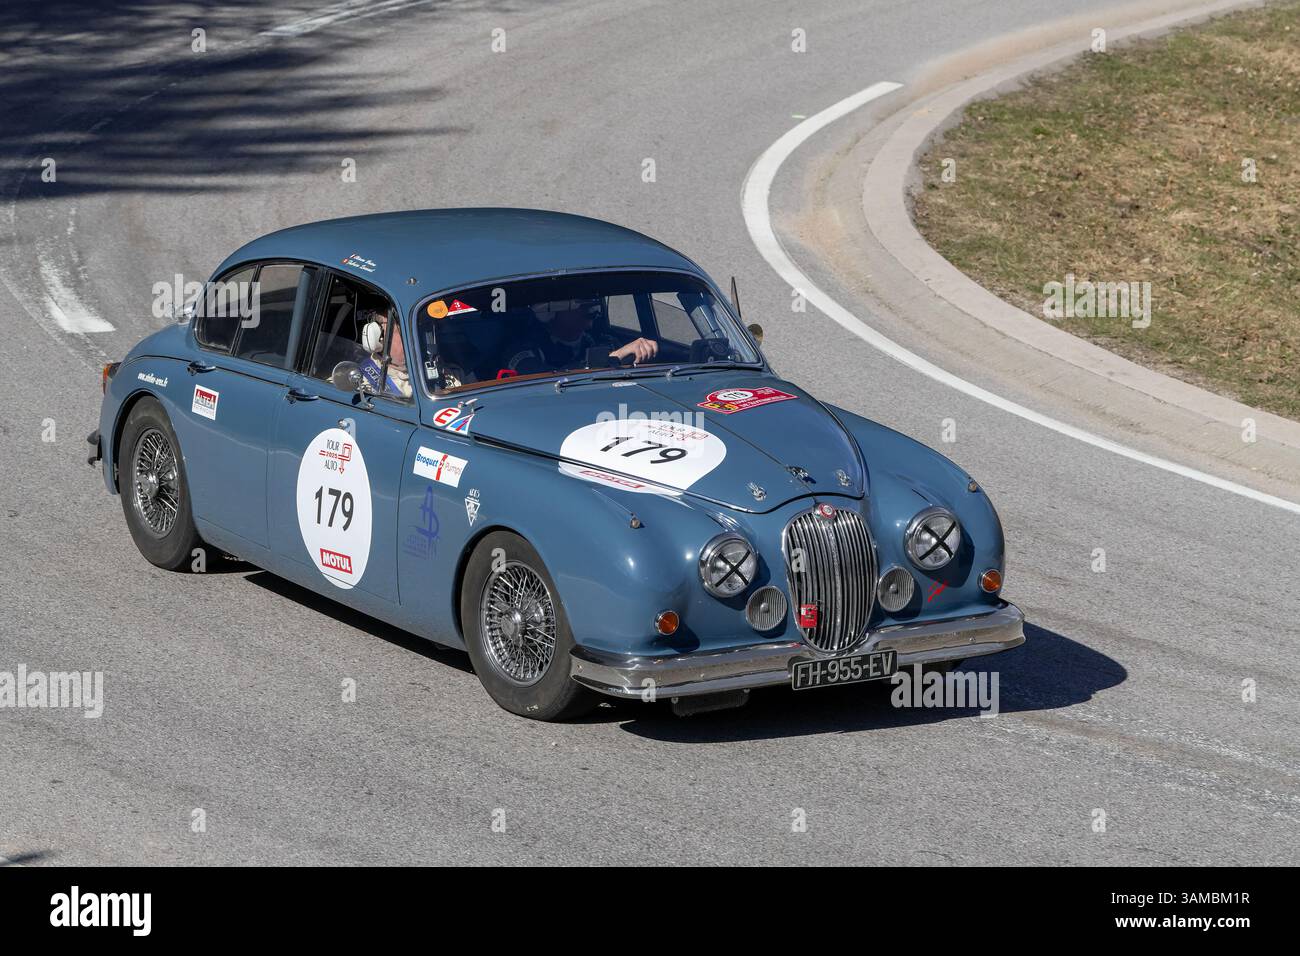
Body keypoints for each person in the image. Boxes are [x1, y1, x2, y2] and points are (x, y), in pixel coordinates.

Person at [505, 299, 657, 374]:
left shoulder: (605, 342)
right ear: (550, 311)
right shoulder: (524, 350)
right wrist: (613, 358)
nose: (591, 308)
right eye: (580, 303)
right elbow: (540, 380)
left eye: (592, 302)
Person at [359, 308, 413, 398]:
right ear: (377, 338)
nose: (413, 341)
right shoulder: (360, 384)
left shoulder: (430, 371)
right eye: (403, 333)